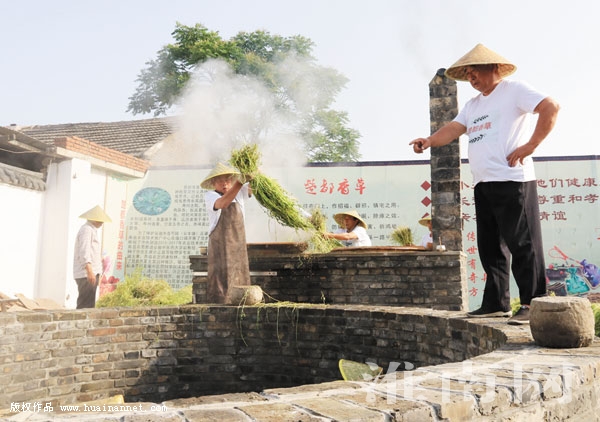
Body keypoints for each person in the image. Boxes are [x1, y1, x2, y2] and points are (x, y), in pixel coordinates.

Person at [409, 43, 560, 325]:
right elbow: (453, 129)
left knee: (523, 243)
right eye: (467, 74)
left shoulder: (514, 90)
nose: (471, 78)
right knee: (490, 246)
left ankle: (533, 303)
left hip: (513, 179)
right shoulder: (473, 105)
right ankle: (496, 303)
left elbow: (551, 107)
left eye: (474, 71)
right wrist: (429, 141)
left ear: (493, 67)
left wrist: (531, 145)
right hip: (483, 182)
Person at [202, 162, 253, 304]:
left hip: (238, 244)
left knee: (240, 273)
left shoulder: (239, 193)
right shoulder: (210, 195)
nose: (224, 183)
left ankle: (242, 301)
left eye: (227, 179)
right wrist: (239, 183)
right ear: (213, 183)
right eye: (220, 180)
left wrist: (253, 172)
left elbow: (253, 187)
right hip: (220, 244)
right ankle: (219, 304)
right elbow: (223, 204)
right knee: (221, 277)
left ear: (232, 180)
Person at [73, 205, 112, 309]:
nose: (102, 223)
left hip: (92, 272)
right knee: (85, 304)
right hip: (86, 273)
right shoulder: (86, 229)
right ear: (95, 219)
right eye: (100, 220)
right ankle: (81, 320)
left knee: (89, 304)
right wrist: (89, 271)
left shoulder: (91, 230)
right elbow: (84, 251)